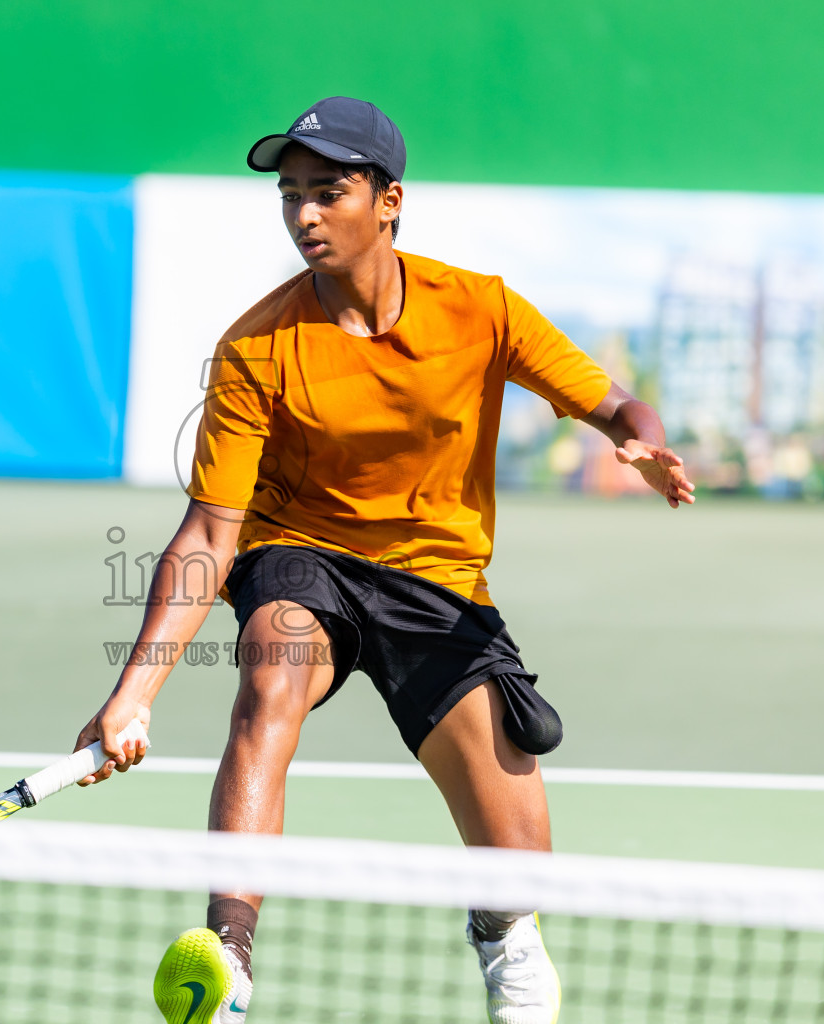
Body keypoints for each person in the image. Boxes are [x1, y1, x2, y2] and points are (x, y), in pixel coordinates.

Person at [73, 96, 695, 1024]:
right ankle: (229, 952)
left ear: (389, 199)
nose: (305, 216)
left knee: (515, 851)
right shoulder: (255, 346)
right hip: (302, 550)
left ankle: (504, 934)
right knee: (270, 674)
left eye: (328, 192)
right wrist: (135, 693)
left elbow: (614, 405)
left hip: (438, 578)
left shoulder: (480, 309)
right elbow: (209, 533)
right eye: (291, 196)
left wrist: (643, 440)